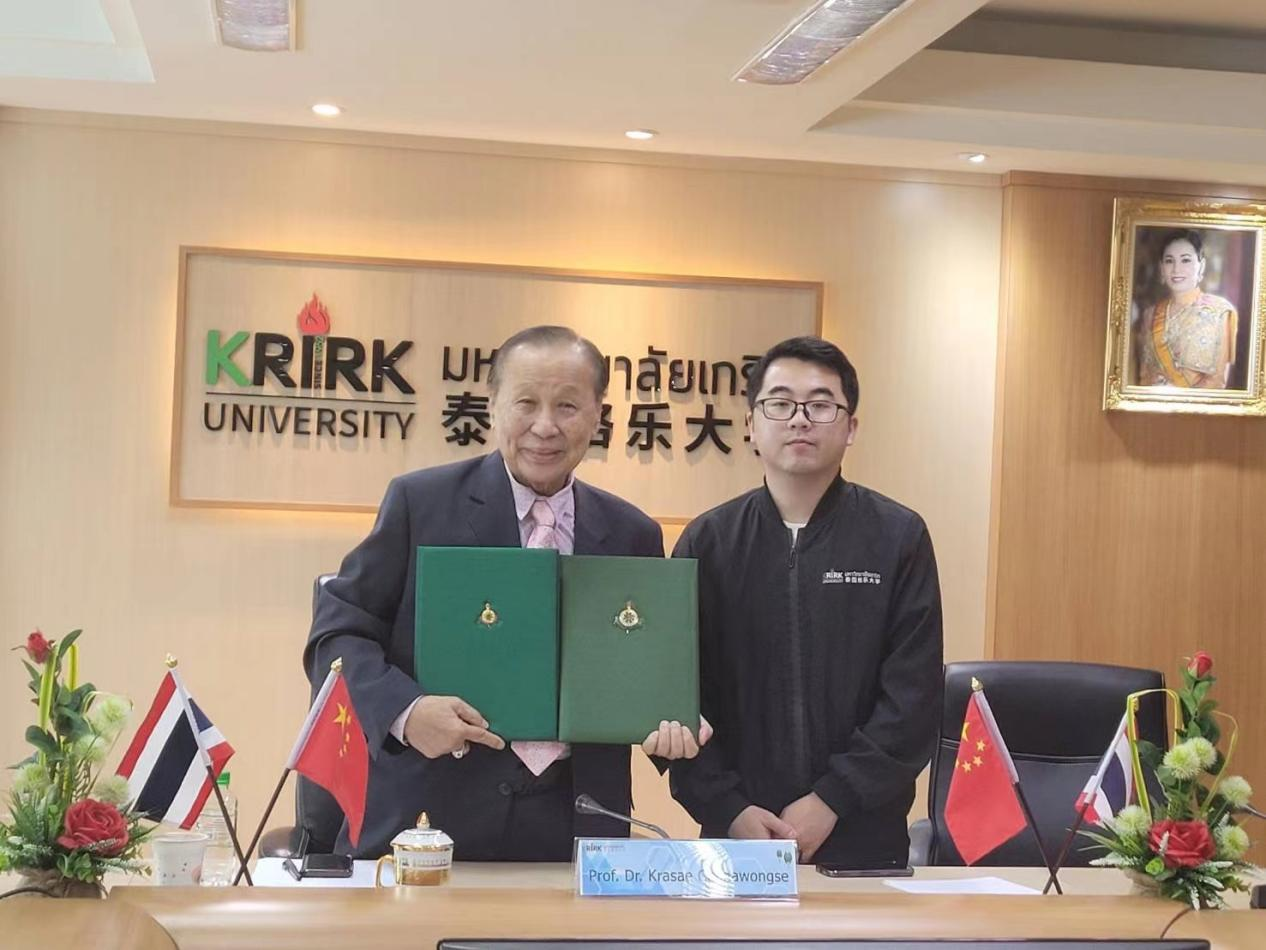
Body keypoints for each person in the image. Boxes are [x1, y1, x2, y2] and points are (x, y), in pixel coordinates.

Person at [305, 325, 701, 860]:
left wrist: (670, 720)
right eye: (526, 403)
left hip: (578, 829)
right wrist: (406, 711)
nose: (545, 426)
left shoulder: (632, 533)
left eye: (567, 406)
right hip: (431, 820)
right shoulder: (420, 504)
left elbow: (642, 669)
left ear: (598, 416)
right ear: (492, 406)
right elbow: (338, 633)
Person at [668, 336, 943, 866]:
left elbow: (913, 695)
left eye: (820, 405)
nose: (799, 419)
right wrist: (729, 807)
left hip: (865, 835)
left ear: (851, 427)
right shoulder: (709, 541)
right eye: (780, 403)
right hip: (736, 836)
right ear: (751, 424)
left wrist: (833, 798)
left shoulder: (898, 536)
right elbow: (679, 694)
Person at [1134, 229, 1238, 389]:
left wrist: (1176, 395)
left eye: (1186, 260)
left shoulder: (1220, 313)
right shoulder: (1150, 315)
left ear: (1201, 266)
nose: (1176, 269)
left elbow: (1217, 382)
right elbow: (1144, 376)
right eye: (1169, 261)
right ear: (1161, 268)